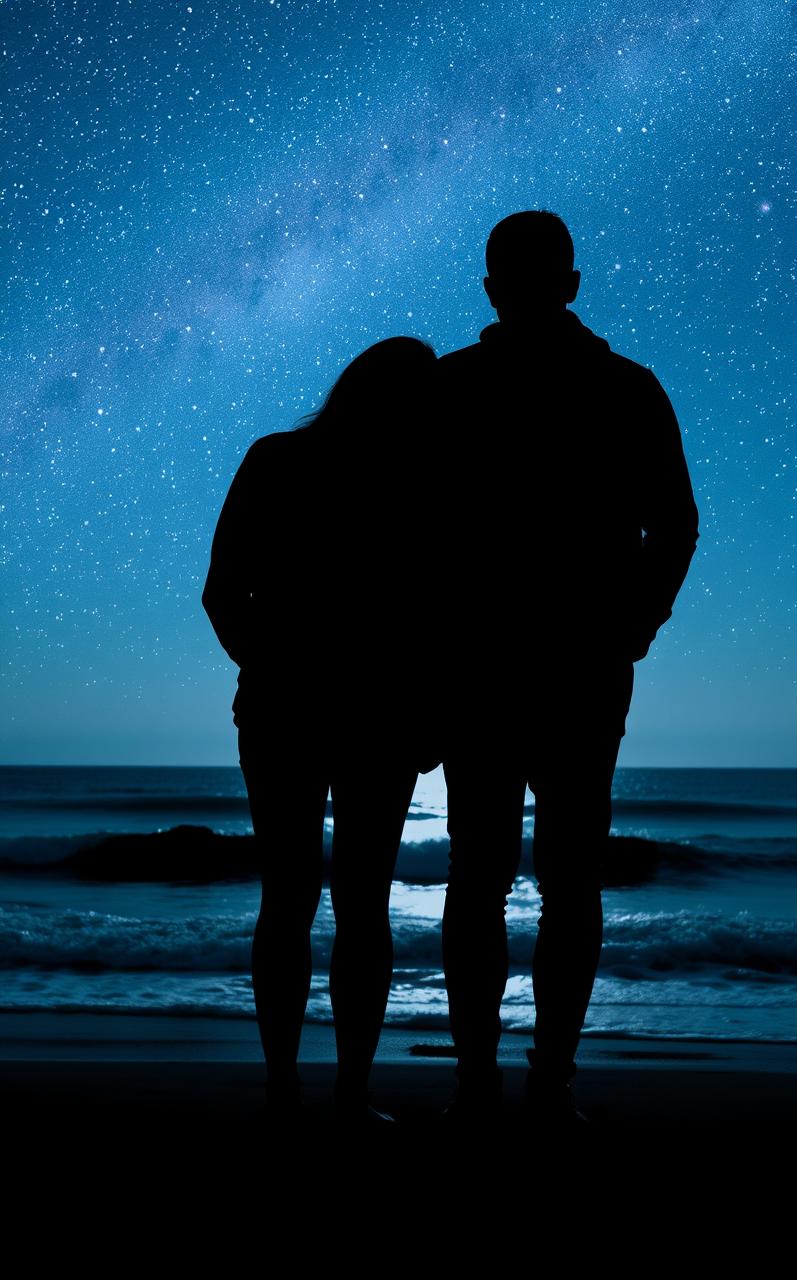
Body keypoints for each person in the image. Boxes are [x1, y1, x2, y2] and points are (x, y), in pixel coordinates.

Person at [434, 210, 700, 1126]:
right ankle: (539, 1083)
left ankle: (496, 1082)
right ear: (570, 284)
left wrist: (631, 629)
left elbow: (408, 537)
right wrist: (631, 628)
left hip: (500, 667)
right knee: (557, 881)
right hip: (557, 666)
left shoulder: (456, 388)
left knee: (489, 878)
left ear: (492, 287)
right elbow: (674, 527)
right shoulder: (620, 387)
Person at [201, 336, 439, 1125]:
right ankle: (338, 1091)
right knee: (351, 900)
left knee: (300, 895)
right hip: (353, 711)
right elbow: (225, 592)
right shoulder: (418, 483)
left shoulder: (284, 460)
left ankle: (299, 1088)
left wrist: (268, 666)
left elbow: (223, 593)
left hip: (303, 709)